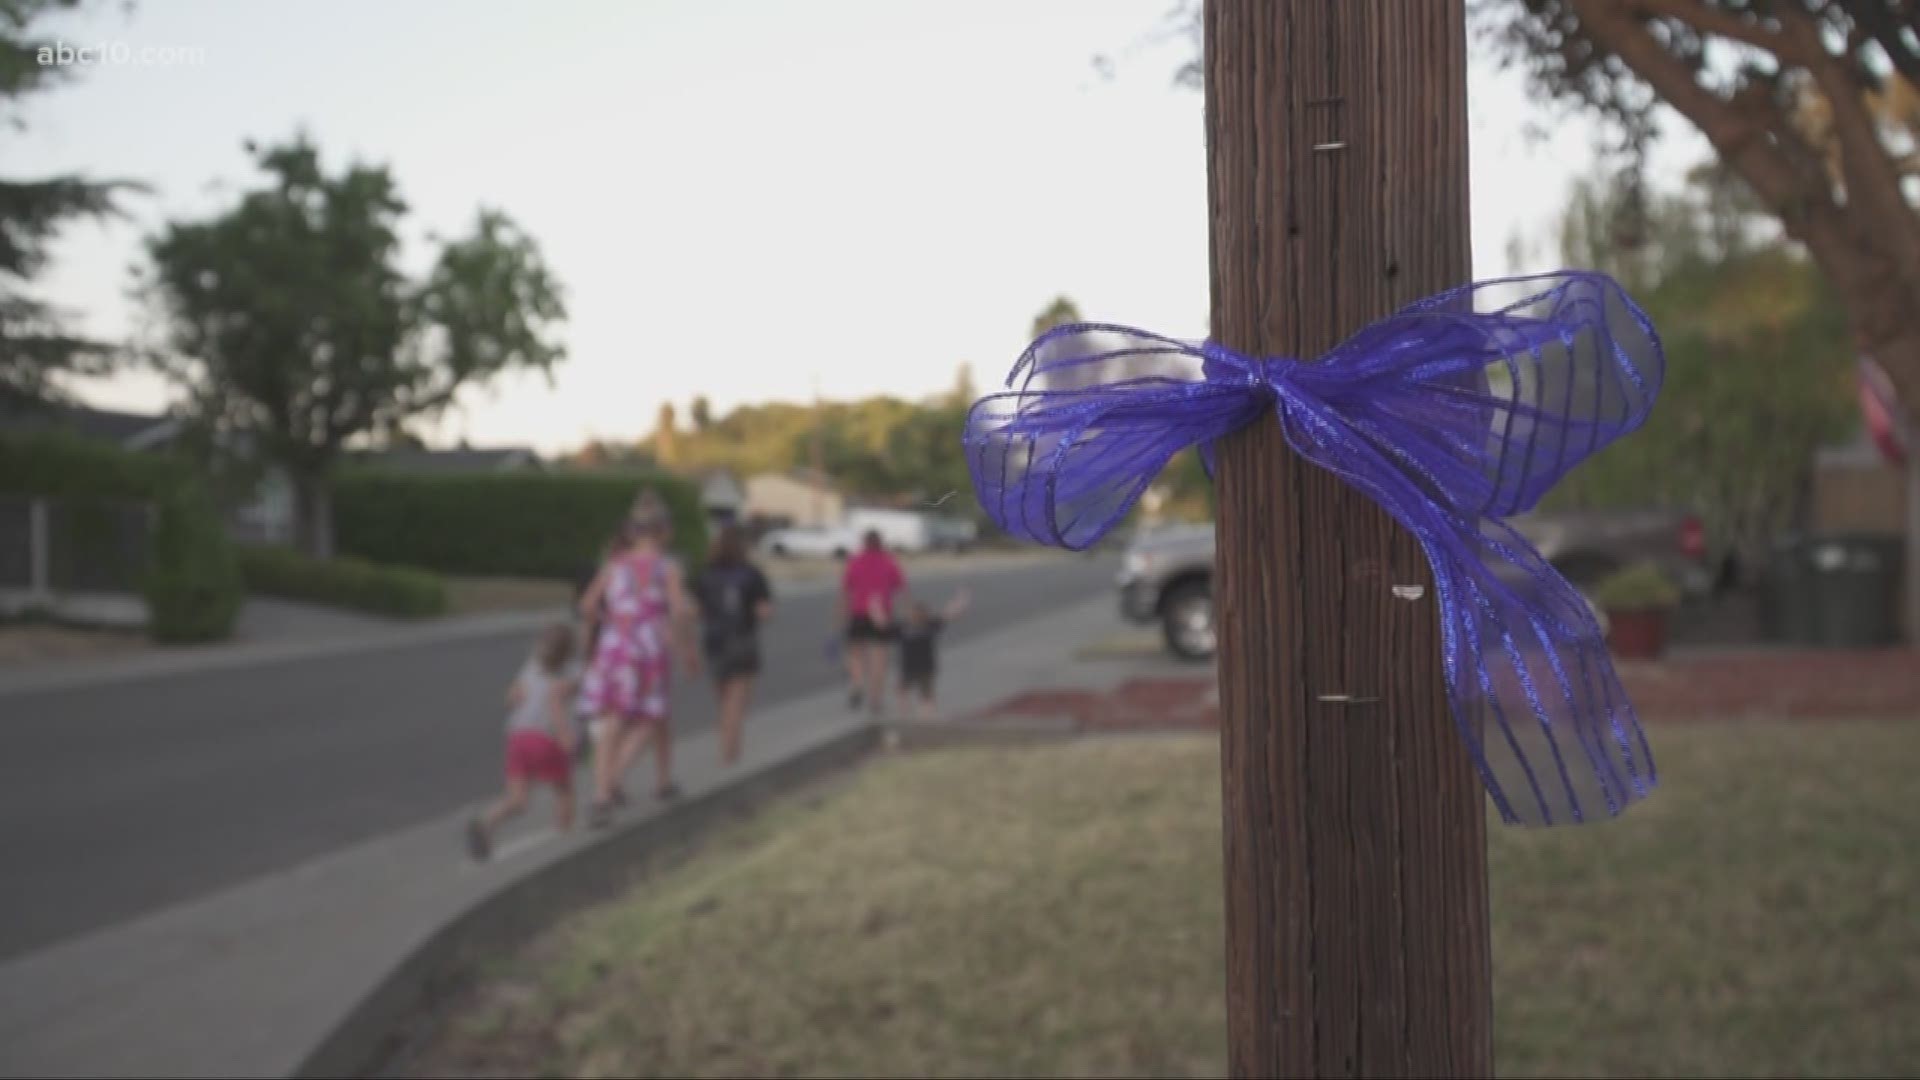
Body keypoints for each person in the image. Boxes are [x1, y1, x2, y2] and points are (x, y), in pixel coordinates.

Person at [577, 492, 699, 827]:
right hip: (647, 648)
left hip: (614, 644)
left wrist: (612, 621)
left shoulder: (614, 564)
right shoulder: (667, 567)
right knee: (648, 718)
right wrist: (687, 649)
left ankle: (601, 794)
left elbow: (588, 606)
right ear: (665, 531)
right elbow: (677, 611)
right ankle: (614, 778)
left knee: (612, 720)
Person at [467, 622, 578, 860]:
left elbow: (512, 698)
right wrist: (565, 736)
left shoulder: (530, 667)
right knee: (563, 790)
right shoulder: (572, 673)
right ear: (568, 652)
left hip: (517, 737)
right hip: (545, 739)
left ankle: (486, 822)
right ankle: (565, 838)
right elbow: (555, 703)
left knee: (518, 799)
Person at [691, 524, 774, 766]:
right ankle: (731, 751)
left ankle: (726, 745)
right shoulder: (752, 574)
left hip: (715, 640)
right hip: (743, 639)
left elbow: (695, 611)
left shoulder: (706, 575)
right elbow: (764, 611)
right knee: (737, 700)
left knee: (723, 699)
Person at [839, 529, 904, 717]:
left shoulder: (855, 561)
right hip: (882, 616)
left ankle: (857, 683)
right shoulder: (889, 562)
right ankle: (875, 699)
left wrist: (841, 616)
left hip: (858, 614)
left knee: (855, 654)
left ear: (864, 542)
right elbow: (899, 589)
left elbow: (846, 591)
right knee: (879, 660)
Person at [893, 588, 970, 719]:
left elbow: (949, 614)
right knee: (917, 692)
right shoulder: (921, 626)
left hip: (919, 668)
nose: (914, 616)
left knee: (914, 692)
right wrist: (960, 601)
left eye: (915, 613)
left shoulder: (914, 626)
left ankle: (917, 714)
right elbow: (949, 614)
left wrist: (960, 602)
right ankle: (918, 714)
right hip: (919, 667)